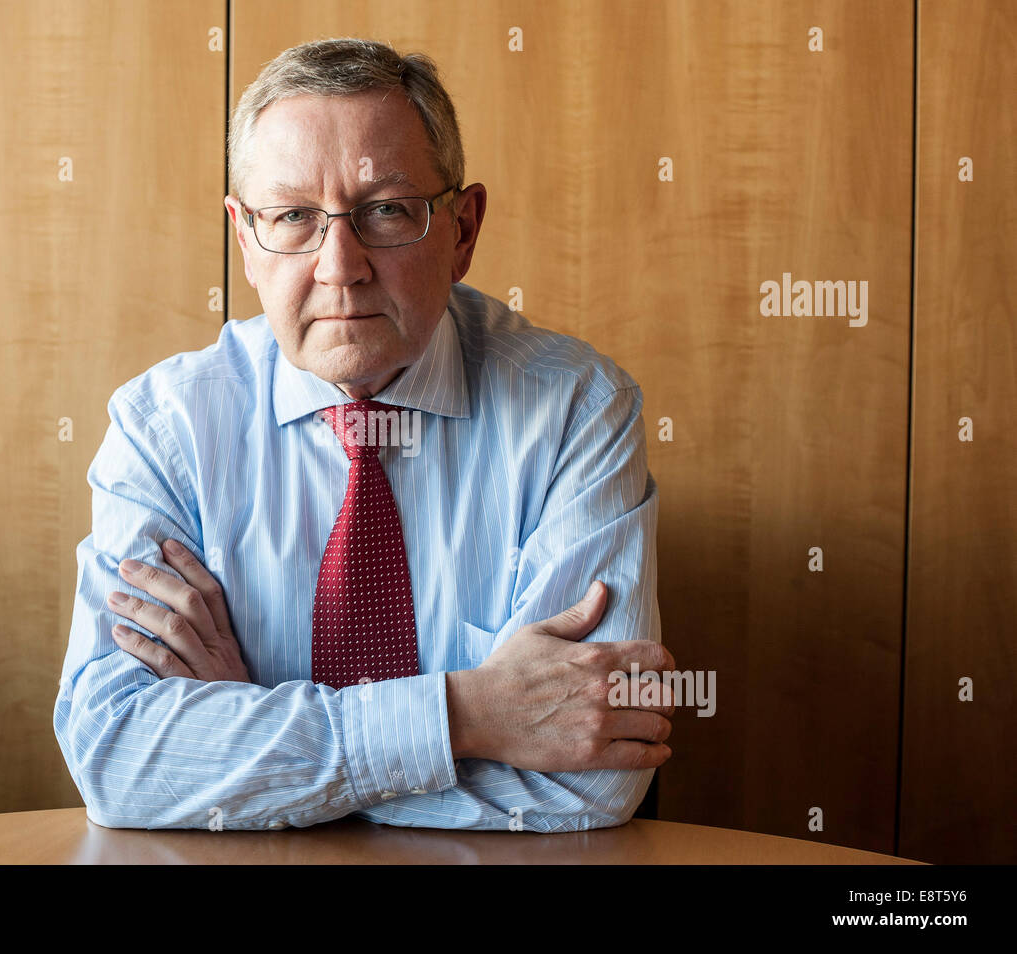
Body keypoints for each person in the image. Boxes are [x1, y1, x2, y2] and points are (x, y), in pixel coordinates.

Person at [53, 37, 674, 832]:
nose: (339, 266)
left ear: (462, 229)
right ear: (245, 239)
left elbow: (592, 781)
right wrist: (467, 714)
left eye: (385, 210)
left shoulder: (577, 412)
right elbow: (117, 759)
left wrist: (244, 739)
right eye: (292, 218)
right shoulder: (163, 429)